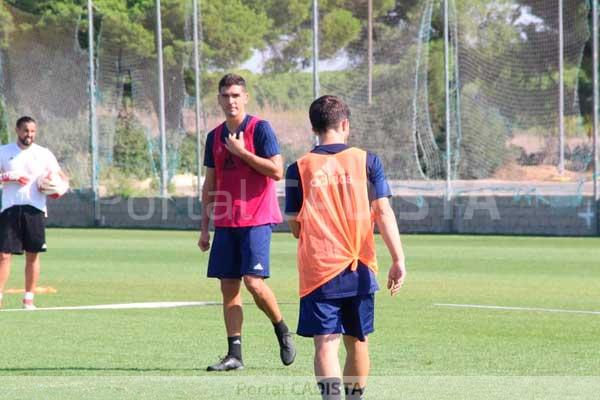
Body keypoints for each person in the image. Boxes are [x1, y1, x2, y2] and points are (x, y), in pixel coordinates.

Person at [285, 95, 407, 400]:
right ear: (345, 124)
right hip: (360, 265)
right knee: (358, 342)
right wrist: (398, 258)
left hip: (318, 270)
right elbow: (383, 211)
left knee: (325, 344)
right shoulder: (368, 161)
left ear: (314, 128)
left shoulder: (297, 169)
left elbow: (295, 226)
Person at [198, 73, 296, 371]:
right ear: (219, 99)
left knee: (253, 283)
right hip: (226, 223)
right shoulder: (214, 137)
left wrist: (242, 152)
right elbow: (210, 184)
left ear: (246, 98)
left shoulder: (260, 129)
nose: (231, 101)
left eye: (236, 96)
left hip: (257, 219)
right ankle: (234, 355)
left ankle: (281, 329)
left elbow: (277, 171)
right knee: (229, 288)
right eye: (226, 96)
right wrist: (204, 228)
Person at [0, 116, 68, 310]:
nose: (29, 135)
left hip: (35, 210)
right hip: (10, 210)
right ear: (17, 130)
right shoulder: (4, 152)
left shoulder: (44, 154)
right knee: (4, 255)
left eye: (32, 132)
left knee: (33, 255)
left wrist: (60, 188)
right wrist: (7, 177)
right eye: (25, 131)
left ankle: (28, 299)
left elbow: (62, 177)